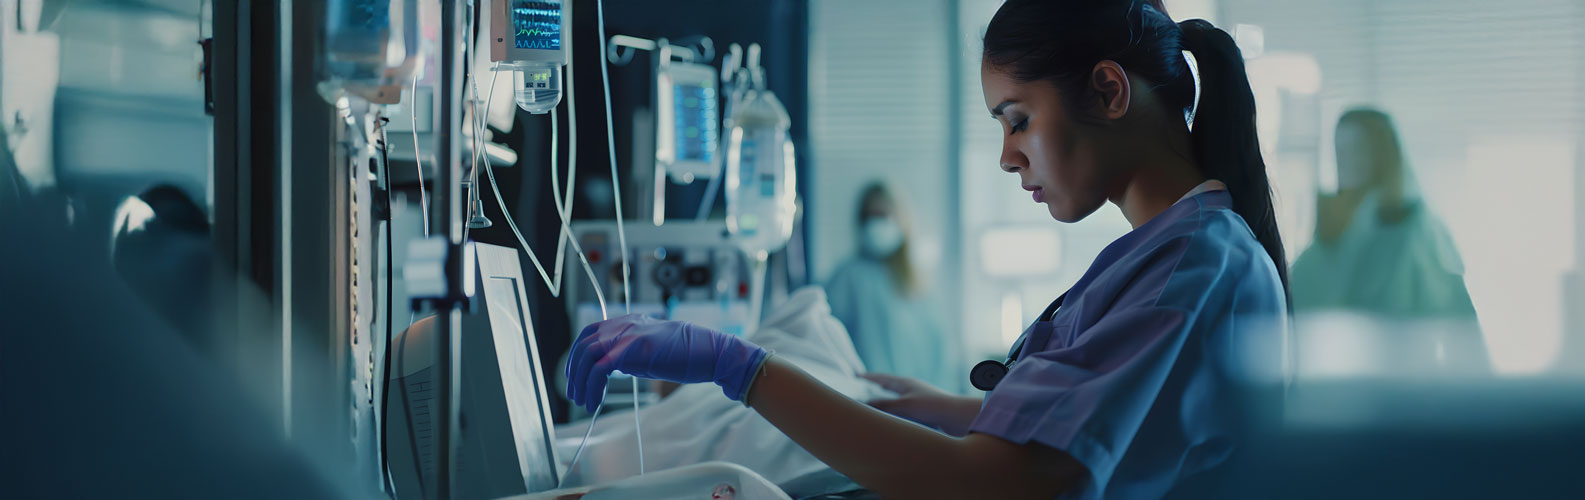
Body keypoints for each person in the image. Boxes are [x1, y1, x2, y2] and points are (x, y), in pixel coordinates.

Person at [563, 1, 1289, 498]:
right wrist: (940, 409)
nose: (1008, 157)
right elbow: (1077, 437)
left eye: (1016, 120)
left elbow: (986, 485)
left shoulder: (1193, 270)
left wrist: (736, 367)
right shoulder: (1170, 256)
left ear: (1106, 90)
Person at [1289, 108, 1488, 371]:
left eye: (1357, 149)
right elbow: (1301, 296)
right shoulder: (1335, 226)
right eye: (1340, 151)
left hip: (1401, 380)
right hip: (1339, 377)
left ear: (1381, 154)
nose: (1346, 162)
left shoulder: (1413, 228)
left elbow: (1457, 317)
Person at [824, 182, 954, 391]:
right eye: (868, 217)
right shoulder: (848, 277)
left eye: (883, 215)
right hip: (866, 401)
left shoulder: (919, 284)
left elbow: (941, 354)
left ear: (902, 219)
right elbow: (828, 340)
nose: (875, 224)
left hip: (923, 404)